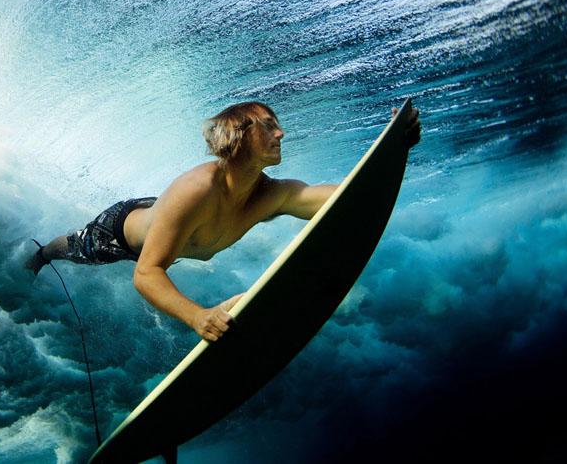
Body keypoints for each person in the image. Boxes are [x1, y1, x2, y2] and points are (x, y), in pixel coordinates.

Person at [27, 101, 421, 341]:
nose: (281, 133)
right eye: (268, 125)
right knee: (75, 248)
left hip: (173, 217)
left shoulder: (271, 194)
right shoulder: (196, 190)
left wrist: (394, 151)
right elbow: (147, 274)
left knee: (169, 216)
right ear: (237, 136)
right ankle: (42, 253)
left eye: (277, 123)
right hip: (120, 232)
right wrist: (198, 315)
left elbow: (344, 195)